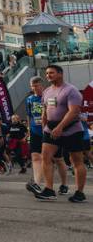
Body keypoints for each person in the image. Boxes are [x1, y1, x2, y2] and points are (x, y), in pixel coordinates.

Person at [35, 64, 87, 203]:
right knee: (45, 157)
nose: (48, 76)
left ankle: (79, 193)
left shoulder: (71, 90)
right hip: (51, 129)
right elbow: (46, 110)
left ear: (60, 74)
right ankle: (49, 190)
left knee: (76, 161)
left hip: (71, 129)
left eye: (51, 73)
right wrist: (44, 126)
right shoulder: (46, 91)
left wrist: (60, 127)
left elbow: (74, 111)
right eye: (47, 73)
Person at [25, 76, 46, 194]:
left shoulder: (47, 96)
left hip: (47, 131)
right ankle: (37, 183)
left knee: (54, 159)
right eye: (32, 86)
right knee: (35, 157)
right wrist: (28, 130)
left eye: (37, 85)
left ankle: (63, 184)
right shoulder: (29, 99)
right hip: (34, 131)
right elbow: (29, 116)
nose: (35, 88)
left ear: (42, 85)